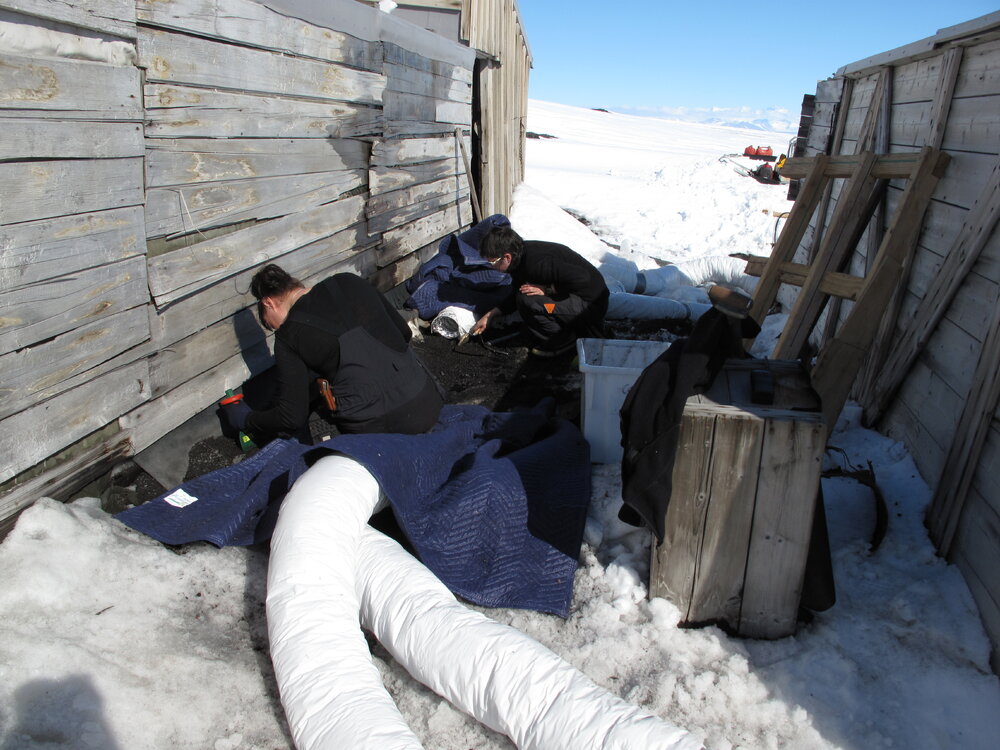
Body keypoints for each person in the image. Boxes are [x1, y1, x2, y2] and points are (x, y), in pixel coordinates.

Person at [222, 264, 443, 439]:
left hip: (383, 428)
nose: (275, 329)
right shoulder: (348, 280)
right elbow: (403, 333)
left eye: (270, 325)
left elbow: (291, 417)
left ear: (268, 303)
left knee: (313, 422)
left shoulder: (288, 335)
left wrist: (246, 419)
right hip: (427, 400)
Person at [471, 226, 609, 356]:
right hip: (576, 297)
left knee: (529, 301)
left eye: (493, 263)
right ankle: (567, 328)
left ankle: (564, 340)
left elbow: (582, 278)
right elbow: (516, 293)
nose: (492, 267)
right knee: (524, 295)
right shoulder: (519, 257)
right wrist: (491, 315)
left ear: (507, 257)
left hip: (590, 305)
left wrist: (548, 289)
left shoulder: (536, 264)